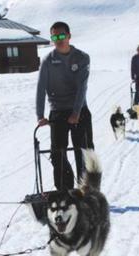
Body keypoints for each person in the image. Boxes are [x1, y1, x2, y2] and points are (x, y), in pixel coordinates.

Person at [35, 21, 93, 191]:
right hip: (58, 112)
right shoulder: (47, 61)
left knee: (83, 152)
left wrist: (76, 113)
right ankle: (65, 191)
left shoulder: (82, 57)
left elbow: (82, 87)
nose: (58, 40)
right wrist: (40, 116)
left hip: (79, 110)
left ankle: (86, 191)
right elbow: (40, 89)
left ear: (69, 36)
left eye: (61, 36)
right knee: (57, 154)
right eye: (54, 37)